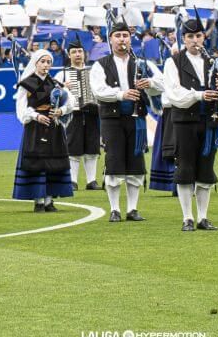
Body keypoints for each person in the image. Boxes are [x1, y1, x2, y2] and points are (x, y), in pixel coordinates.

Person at [90, 19, 164, 223]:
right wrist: (121, 94)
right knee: (113, 162)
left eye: (125, 36)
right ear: (110, 40)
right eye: (118, 36)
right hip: (112, 119)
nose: (122, 40)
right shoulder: (100, 64)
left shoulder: (142, 63)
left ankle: (132, 209)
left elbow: (163, 82)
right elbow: (98, 91)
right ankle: (114, 209)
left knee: (135, 163)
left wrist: (149, 83)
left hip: (137, 119)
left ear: (130, 39)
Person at [162, 16, 218, 231]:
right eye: (190, 36)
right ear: (183, 38)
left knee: (205, 170)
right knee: (185, 169)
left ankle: (202, 217)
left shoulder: (215, 62)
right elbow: (174, 94)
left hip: (209, 123)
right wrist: (200, 96)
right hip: (184, 122)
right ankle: (187, 217)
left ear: (204, 37)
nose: (194, 40)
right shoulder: (173, 61)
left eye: (198, 36)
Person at [13, 49, 75, 212]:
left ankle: (49, 200)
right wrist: (35, 116)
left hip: (53, 127)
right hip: (35, 128)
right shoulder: (26, 84)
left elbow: (70, 102)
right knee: (37, 163)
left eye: (49, 62)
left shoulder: (55, 83)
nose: (46, 65)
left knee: (52, 163)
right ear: (36, 63)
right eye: (43, 61)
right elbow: (21, 108)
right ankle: (38, 200)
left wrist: (60, 111)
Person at [60, 38, 102, 191]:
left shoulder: (94, 71)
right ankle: (72, 181)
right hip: (73, 114)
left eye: (79, 52)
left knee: (92, 147)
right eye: (74, 52)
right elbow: (54, 94)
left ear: (84, 54)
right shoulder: (63, 73)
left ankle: (91, 181)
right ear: (69, 55)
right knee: (73, 147)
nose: (77, 54)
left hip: (92, 113)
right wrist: (63, 88)